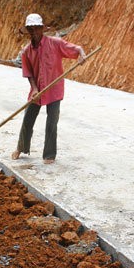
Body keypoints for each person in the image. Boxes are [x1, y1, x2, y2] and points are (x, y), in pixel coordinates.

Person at [11, 13, 86, 164]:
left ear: (42, 29)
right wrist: (34, 89)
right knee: (27, 118)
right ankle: (21, 147)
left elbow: (76, 48)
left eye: (36, 28)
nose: (34, 32)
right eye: (30, 29)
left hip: (54, 89)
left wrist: (82, 54)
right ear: (28, 31)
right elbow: (28, 73)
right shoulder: (26, 51)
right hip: (37, 90)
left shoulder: (55, 43)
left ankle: (49, 155)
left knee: (52, 122)